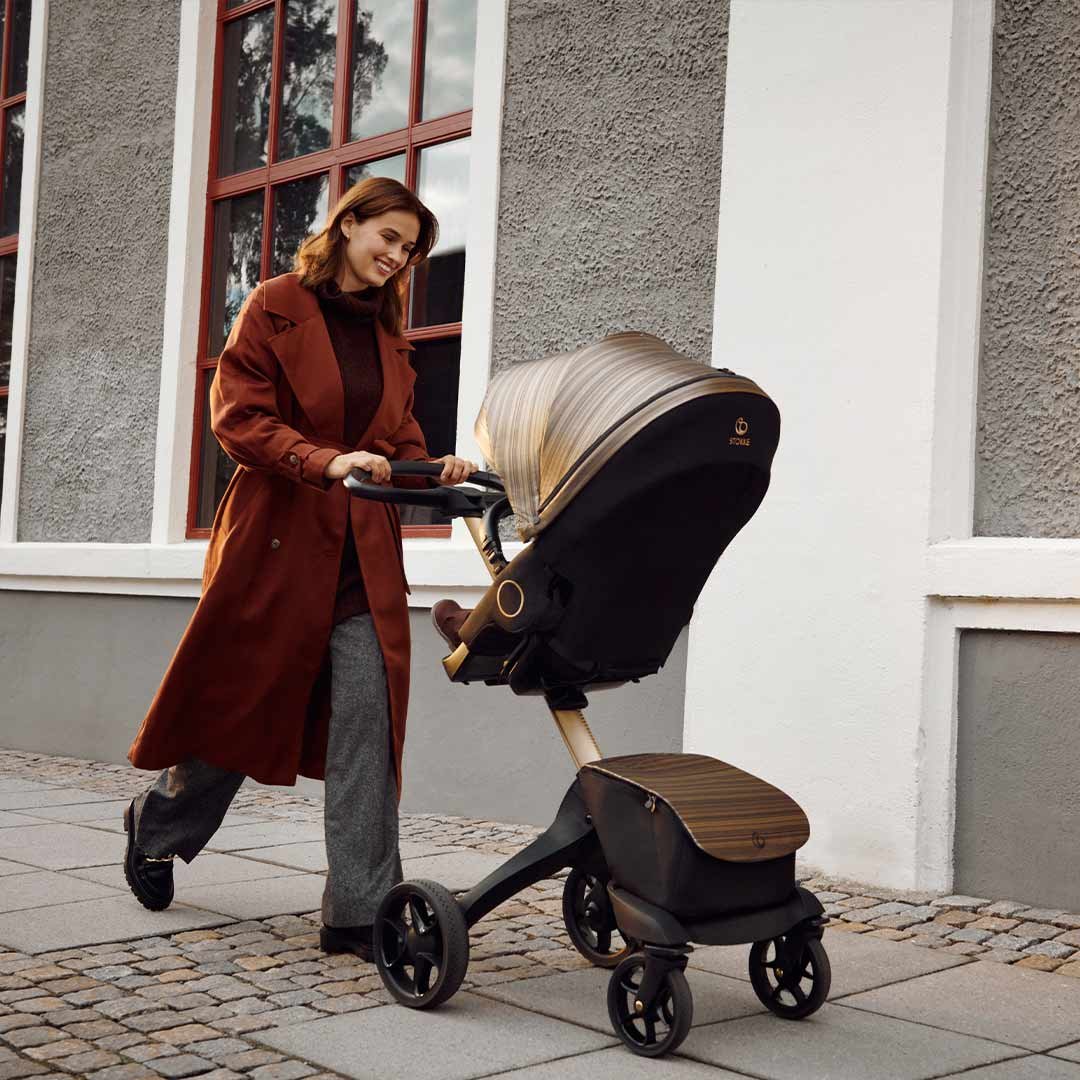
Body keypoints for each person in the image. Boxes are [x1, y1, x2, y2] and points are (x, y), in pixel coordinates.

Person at [124, 177, 476, 961]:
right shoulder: (275, 304)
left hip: (362, 562)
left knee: (367, 729)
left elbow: (399, 435)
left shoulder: (389, 337)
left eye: (411, 248)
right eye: (387, 236)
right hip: (279, 547)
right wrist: (323, 460)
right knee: (240, 715)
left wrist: (435, 469)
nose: (398, 256)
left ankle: (359, 910)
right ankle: (157, 825)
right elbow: (238, 418)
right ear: (347, 225)